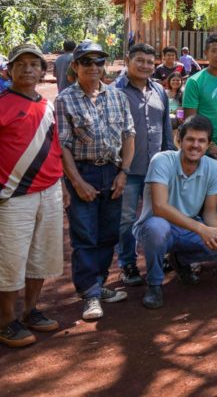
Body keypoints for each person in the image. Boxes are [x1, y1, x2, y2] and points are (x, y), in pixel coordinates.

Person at [55, 41, 135, 320]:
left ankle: (98, 285)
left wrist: (124, 173)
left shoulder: (117, 97)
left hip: (112, 172)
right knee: (85, 235)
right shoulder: (65, 99)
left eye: (99, 62)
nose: (93, 67)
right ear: (75, 66)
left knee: (108, 234)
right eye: (87, 62)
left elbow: (128, 136)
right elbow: (63, 146)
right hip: (83, 172)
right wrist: (76, 182)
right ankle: (89, 294)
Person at [133, 115, 217, 309]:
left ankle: (180, 260)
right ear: (179, 140)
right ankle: (155, 284)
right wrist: (201, 229)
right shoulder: (162, 160)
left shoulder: (214, 167)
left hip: (189, 228)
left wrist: (215, 234)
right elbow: (160, 207)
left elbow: (211, 211)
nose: (195, 145)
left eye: (201, 141)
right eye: (190, 139)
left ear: (209, 145)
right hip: (156, 226)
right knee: (157, 227)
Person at [0, 43, 65, 348]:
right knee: (11, 261)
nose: (28, 69)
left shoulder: (47, 105)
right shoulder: (2, 103)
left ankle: (30, 311)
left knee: (41, 257)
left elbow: (54, 148)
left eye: (33, 64)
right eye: (20, 64)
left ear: (43, 71)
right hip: (13, 197)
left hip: (49, 192)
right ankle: (6, 322)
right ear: (9, 70)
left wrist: (62, 185)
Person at [112, 43, 175, 286]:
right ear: (128, 60)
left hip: (157, 170)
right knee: (126, 219)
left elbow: (166, 128)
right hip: (127, 171)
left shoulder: (159, 90)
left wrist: (170, 158)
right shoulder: (114, 91)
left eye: (150, 62)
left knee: (159, 214)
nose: (145, 66)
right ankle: (128, 263)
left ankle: (161, 257)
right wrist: (118, 169)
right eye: (140, 61)